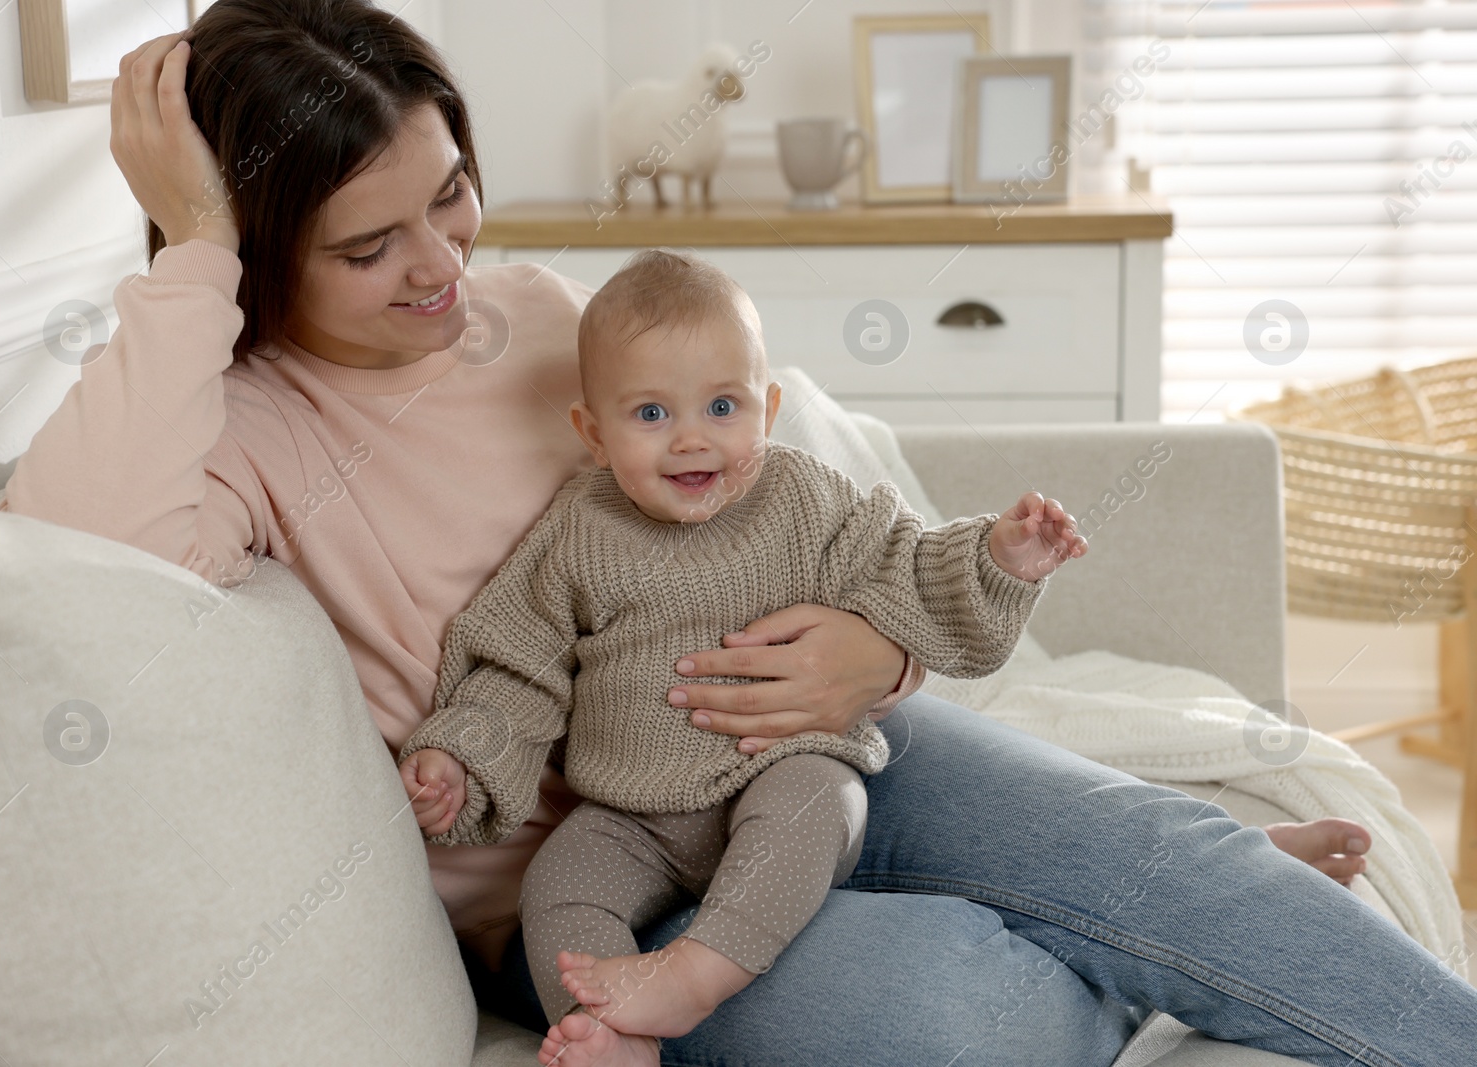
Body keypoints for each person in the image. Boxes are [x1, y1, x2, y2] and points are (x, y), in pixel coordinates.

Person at [1, 2, 1475, 1064]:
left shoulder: (536, 315)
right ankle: (1122, 916)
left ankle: (1170, 903)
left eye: (449, 196)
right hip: (601, 877)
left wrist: (876, 650)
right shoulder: (239, 423)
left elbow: (769, 505)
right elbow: (71, 553)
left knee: (1158, 856)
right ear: (261, 256)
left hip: (814, 759)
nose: (443, 265)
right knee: (967, 1009)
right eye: (371, 246)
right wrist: (190, 249)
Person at [399, 247, 1085, 1065]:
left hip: (778, 775)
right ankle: (614, 1039)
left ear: (768, 410)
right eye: (650, 415)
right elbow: (519, 662)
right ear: (593, 432)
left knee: (824, 801)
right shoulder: (579, 532)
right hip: (631, 817)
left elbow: (904, 565)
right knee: (557, 887)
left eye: (723, 405)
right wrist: (461, 754)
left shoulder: (803, 497)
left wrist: (997, 558)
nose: (692, 439)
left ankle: (702, 970)